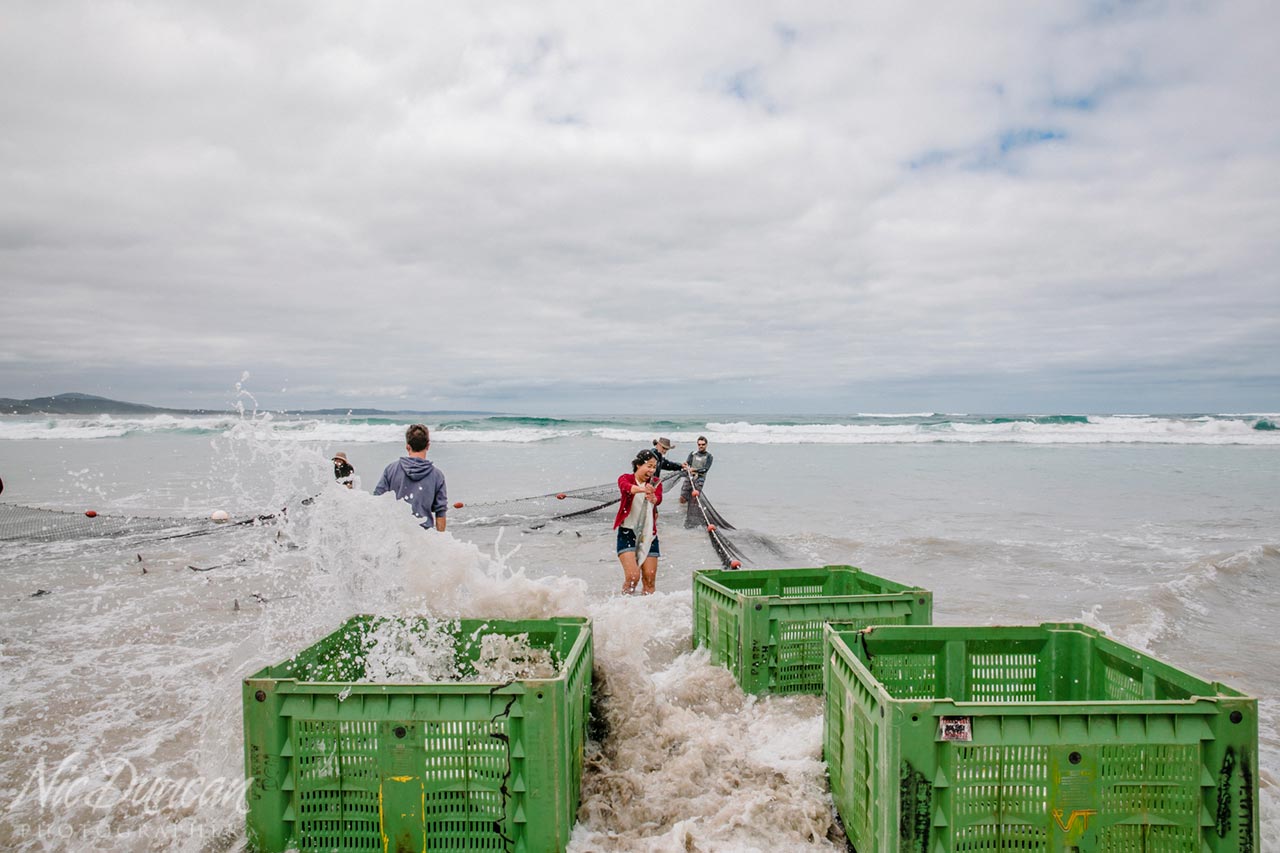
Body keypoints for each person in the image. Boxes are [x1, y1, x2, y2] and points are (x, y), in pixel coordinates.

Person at [373, 424, 448, 531]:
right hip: (424, 536)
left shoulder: (391, 469)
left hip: (396, 533)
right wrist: (441, 541)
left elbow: (377, 501)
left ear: (408, 446)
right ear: (428, 446)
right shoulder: (437, 475)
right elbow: (440, 512)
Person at [613, 449, 663, 595]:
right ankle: (626, 607)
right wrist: (644, 490)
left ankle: (647, 611)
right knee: (633, 577)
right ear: (638, 465)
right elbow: (626, 488)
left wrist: (653, 498)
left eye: (654, 467)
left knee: (649, 578)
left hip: (649, 535)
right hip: (627, 533)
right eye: (649, 466)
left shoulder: (655, 483)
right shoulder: (626, 478)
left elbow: (658, 499)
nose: (652, 470)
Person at [680, 436, 713, 504]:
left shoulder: (709, 456)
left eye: (703, 444)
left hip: (700, 479)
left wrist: (695, 470)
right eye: (699, 444)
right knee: (682, 498)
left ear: (706, 445)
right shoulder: (693, 454)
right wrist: (685, 465)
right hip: (689, 477)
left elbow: (705, 469)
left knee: (694, 498)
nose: (701, 446)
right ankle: (682, 511)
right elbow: (688, 463)